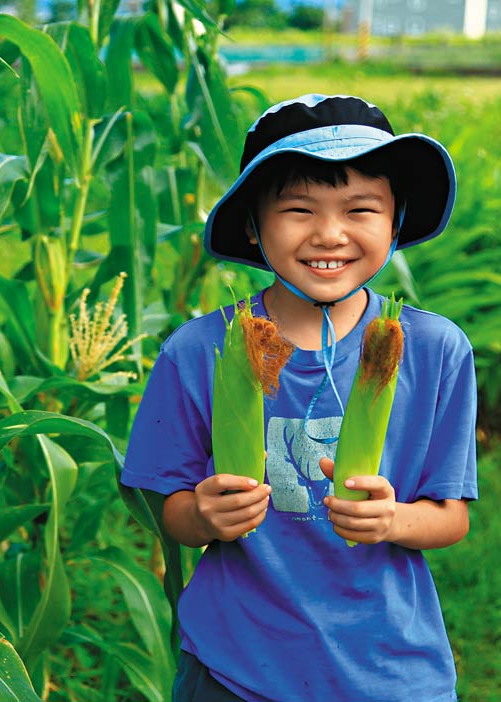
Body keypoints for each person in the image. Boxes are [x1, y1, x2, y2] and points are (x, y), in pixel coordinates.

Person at [120, 94, 478, 701]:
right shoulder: (198, 351)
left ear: (396, 221)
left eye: (361, 208)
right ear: (255, 226)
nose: (329, 234)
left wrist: (391, 519)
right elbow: (171, 514)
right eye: (298, 209)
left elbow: (451, 517)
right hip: (236, 670)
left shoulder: (435, 350)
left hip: (388, 671)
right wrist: (204, 515)